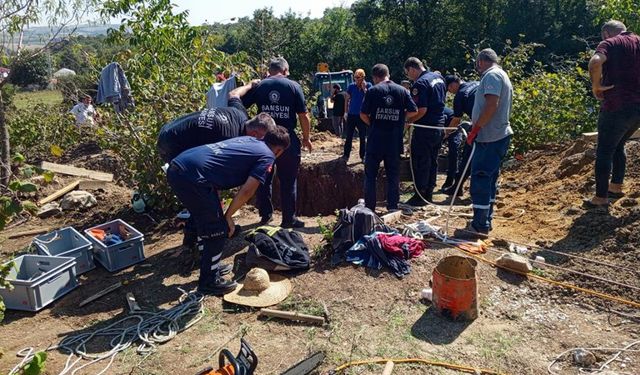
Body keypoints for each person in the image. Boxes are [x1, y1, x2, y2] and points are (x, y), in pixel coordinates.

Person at [167, 127, 291, 295]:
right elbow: (247, 191)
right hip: (193, 177)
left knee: (206, 222)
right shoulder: (267, 156)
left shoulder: (251, 141)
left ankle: (211, 267)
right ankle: (209, 282)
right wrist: (228, 216)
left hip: (180, 167)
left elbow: (216, 165)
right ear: (279, 150)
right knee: (217, 229)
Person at [242, 57, 313, 228]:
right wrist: (306, 138)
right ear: (286, 70)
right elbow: (303, 115)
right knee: (288, 179)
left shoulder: (261, 86)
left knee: (263, 178)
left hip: (263, 140)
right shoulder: (293, 86)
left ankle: (266, 216)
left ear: (270, 70)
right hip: (287, 140)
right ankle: (289, 219)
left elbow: (240, 104)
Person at [585, 20, 640, 209]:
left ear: (606, 33)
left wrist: (596, 86)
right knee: (619, 144)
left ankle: (600, 198)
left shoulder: (610, 43)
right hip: (638, 108)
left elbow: (595, 62)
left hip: (617, 105)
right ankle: (616, 187)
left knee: (604, 150)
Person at [459, 48, 513, 238]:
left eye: (477, 64)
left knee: (481, 178)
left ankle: (480, 225)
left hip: (490, 137)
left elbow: (491, 105)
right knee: (489, 179)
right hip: (496, 135)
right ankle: (485, 219)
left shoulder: (491, 76)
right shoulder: (501, 74)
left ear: (481, 61)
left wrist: (475, 129)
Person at [157, 80, 274, 163]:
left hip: (169, 127)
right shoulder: (231, 138)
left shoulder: (240, 113)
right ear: (254, 134)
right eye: (261, 139)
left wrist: (249, 85)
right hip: (170, 144)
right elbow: (211, 163)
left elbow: (233, 94)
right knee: (186, 174)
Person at [360, 63, 418, 212]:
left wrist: (373, 124)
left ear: (374, 77)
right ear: (388, 75)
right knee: (393, 174)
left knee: (371, 175)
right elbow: (413, 111)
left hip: (376, 140)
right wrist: (401, 119)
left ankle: (369, 208)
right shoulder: (402, 91)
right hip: (394, 140)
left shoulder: (373, 91)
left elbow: (363, 114)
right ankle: (392, 206)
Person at [403, 57, 447, 206]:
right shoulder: (438, 78)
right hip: (439, 127)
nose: (409, 77)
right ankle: (429, 193)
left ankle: (420, 196)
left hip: (425, 128)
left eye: (408, 74)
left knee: (420, 161)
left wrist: (408, 121)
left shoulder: (420, 83)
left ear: (412, 69)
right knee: (432, 161)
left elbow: (421, 110)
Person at [442, 74, 480, 195]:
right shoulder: (475, 83)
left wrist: (446, 133)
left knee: (467, 155)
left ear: (453, 84)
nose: (450, 92)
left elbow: (456, 120)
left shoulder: (460, 95)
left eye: (449, 89)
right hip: (492, 122)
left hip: (479, 126)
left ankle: (457, 187)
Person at [343, 69, 372, 162]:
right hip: (351, 115)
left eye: (358, 78)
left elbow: (370, 98)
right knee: (349, 136)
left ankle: (363, 156)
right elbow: (347, 99)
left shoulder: (369, 86)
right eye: (355, 77)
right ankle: (346, 154)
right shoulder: (351, 86)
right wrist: (346, 112)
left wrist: (364, 89)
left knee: (363, 136)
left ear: (363, 77)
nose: (356, 79)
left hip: (362, 115)